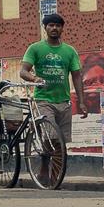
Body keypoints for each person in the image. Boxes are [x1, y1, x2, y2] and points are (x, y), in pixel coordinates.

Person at [20, 13, 85, 143]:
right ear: (45, 27)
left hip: (64, 102)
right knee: (51, 138)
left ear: (62, 29)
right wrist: (34, 79)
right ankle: (45, 163)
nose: (54, 28)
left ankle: (57, 164)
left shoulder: (70, 51)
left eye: (58, 25)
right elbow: (23, 71)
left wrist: (81, 102)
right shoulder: (35, 48)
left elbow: (77, 77)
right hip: (43, 101)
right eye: (51, 25)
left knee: (61, 143)